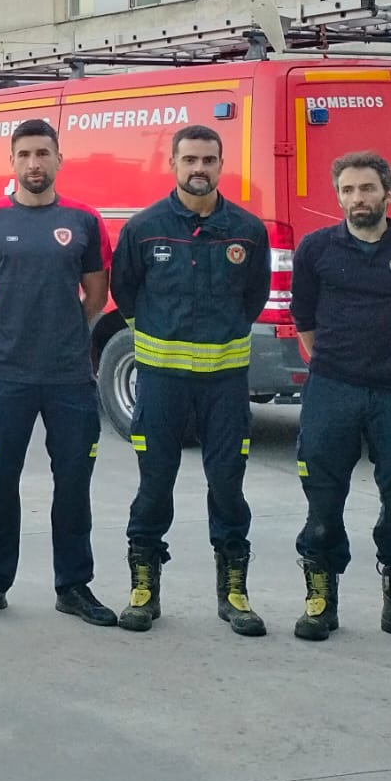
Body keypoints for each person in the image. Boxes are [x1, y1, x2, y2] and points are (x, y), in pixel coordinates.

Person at [0, 118, 117, 627]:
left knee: (73, 484)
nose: (34, 164)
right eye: (24, 154)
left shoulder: (84, 220)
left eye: (43, 153)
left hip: (70, 379)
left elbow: (95, 293)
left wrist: (70, 330)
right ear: (12, 162)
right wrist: (0, 331)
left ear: (59, 159)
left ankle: (73, 586)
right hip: (7, 376)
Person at [108, 124, 273, 636]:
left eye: (208, 160)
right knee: (155, 484)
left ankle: (234, 592)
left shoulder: (247, 230)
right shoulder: (145, 228)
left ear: (221, 165)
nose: (198, 169)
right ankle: (143, 588)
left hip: (225, 385)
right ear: (174, 165)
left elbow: (255, 296)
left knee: (227, 486)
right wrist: (157, 338)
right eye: (189, 160)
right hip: (160, 384)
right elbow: (126, 294)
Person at [289, 150, 391, 650]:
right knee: (323, 499)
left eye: (366, 189)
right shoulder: (315, 250)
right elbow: (305, 318)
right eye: (347, 190)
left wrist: (388, 360)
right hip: (331, 390)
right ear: (338, 196)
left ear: (386, 192)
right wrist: (340, 365)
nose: (357, 198)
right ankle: (321, 599)